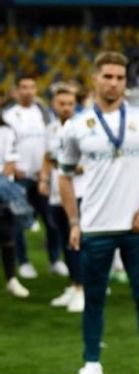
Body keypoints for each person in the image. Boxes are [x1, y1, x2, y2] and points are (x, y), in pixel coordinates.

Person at [59, 51, 139, 374]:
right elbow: (64, 176)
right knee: (94, 299)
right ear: (95, 79)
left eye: (120, 78)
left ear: (126, 81)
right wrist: (74, 221)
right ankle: (91, 366)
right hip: (95, 226)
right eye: (108, 76)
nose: (114, 83)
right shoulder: (76, 125)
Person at [2, 74, 65, 279]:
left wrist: (46, 170)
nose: (28, 91)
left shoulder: (45, 113)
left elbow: (51, 141)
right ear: (16, 91)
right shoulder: (9, 115)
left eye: (31, 87)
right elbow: (6, 144)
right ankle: (24, 262)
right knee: (19, 220)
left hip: (43, 175)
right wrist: (13, 167)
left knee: (52, 218)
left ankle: (55, 260)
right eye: (24, 87)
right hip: (20, 176)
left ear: (36, 90)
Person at [45, 84, 85, 312]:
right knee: (63, 240)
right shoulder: (51, 129)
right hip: (55, 191)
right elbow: (48, 156)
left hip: (78, 191)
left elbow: (87, 162)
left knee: (76, 241)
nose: (67, 108)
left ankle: (82, 288)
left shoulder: (82, 127)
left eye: (70, 104)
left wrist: (68, 165)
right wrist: (43, 178)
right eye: (62, 104)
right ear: (54, 104)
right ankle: (73, 284)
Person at [0, 112, 29, 298]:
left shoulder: (6, 131)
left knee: (6, 235)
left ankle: (11, 279)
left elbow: (10, 164)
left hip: (2, 191)